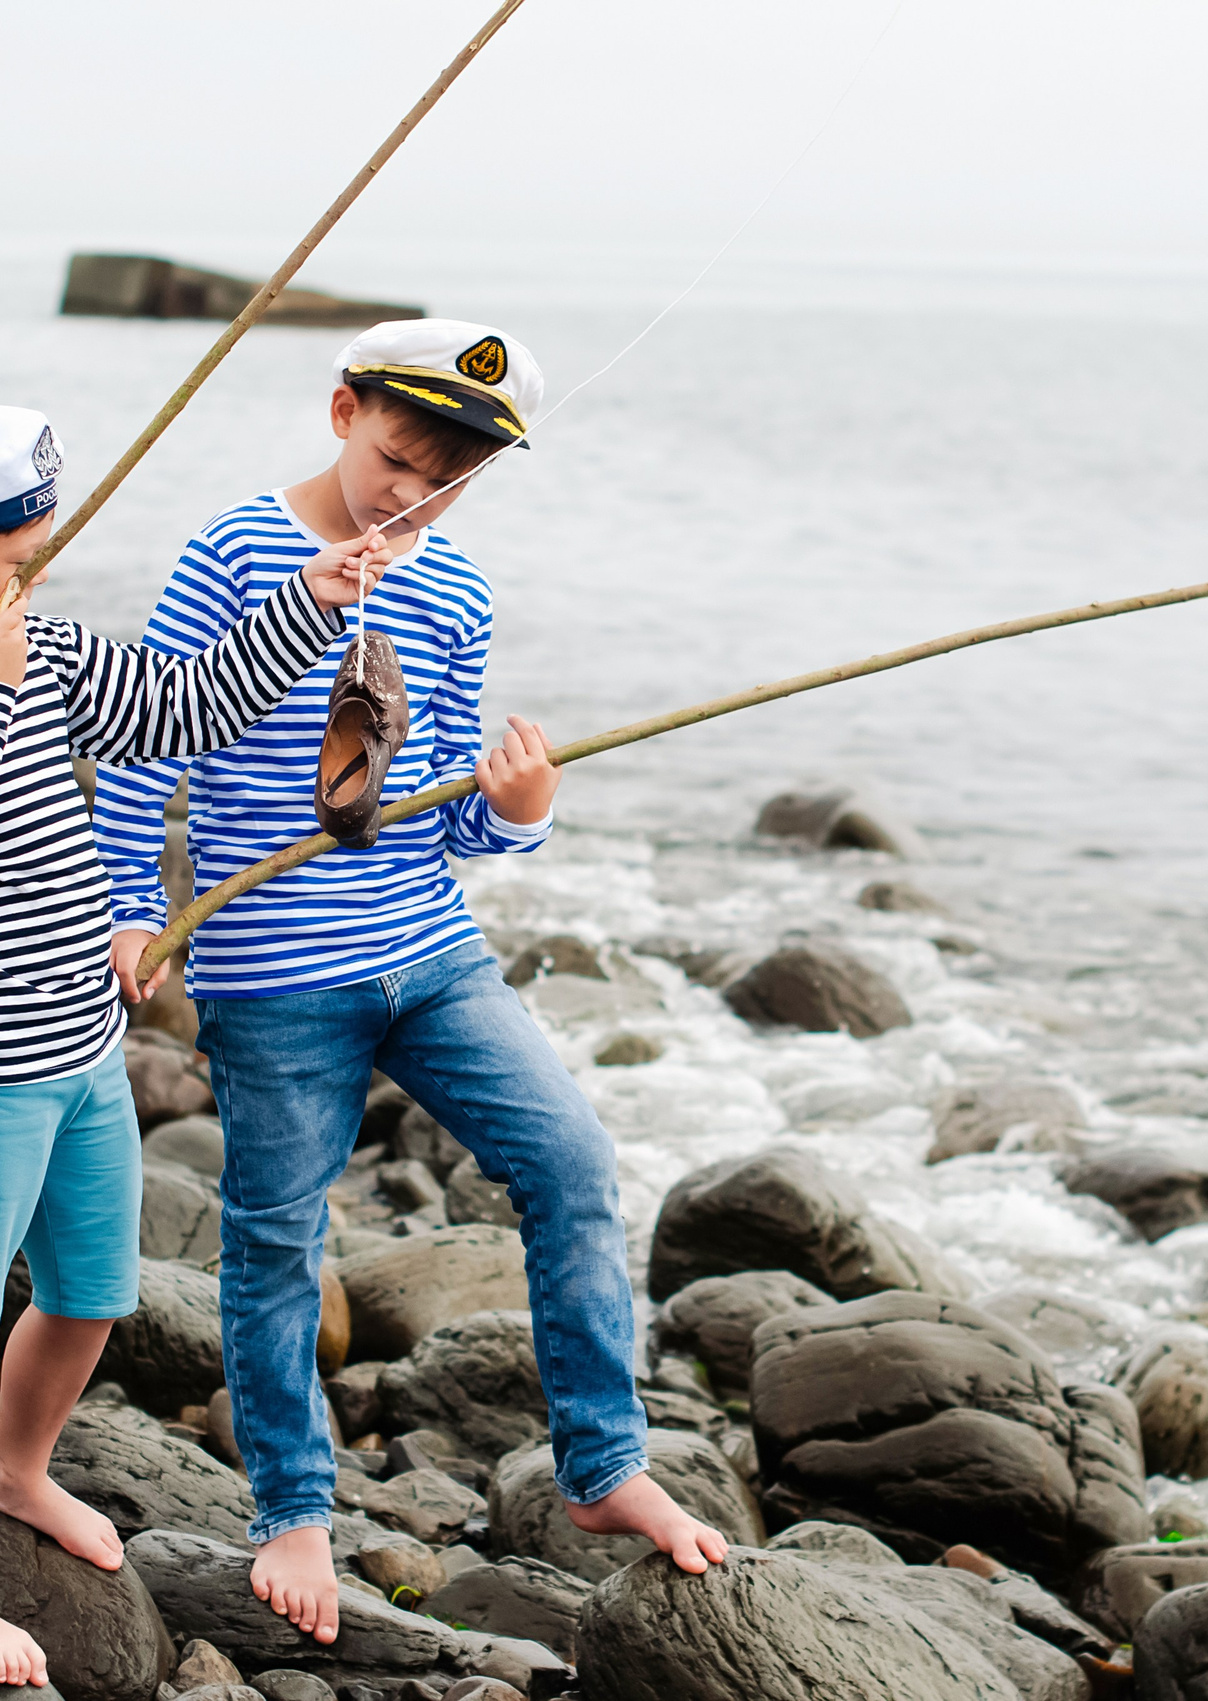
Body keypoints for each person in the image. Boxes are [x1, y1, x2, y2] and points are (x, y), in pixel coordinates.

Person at [92, 322, 728, 1647]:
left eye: (448, 481)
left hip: (431, 954)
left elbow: (437, 815)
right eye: (395, 458)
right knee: (276, 1243)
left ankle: (604, 1466)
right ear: (341, 411)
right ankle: (294, 1508)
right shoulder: (232, 548)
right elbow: (152, 739)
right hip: (274, 975)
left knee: (570, 1159)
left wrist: (523, 811)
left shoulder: (458, 594)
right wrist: (127, 913)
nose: (408, 496)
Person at [0, 403, 390, 1688]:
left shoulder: (47, 644)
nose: (35, 580)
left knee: (88, 1294)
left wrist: (305, 598)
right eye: (18, 557)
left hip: (79, 1040)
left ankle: (14, 1469)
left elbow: (184, 708)